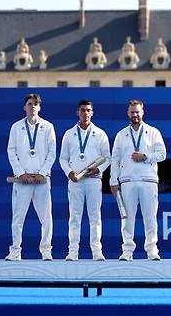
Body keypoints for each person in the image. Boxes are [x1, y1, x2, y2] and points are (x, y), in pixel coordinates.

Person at [110, 100, 166, 261]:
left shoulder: (153, 132)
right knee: (127, 218)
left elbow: (162, 154)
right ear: (128, 113)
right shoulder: (121, 135)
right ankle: (127, 251)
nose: (135, 115)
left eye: (137, 112)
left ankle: (152, 250)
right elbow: (115, 158)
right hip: (127, 181)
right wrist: (114, 180)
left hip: (148, 181)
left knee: (150, 218)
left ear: (143, 112)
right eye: (132, 112)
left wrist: (145, 157)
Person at [5, 93, 57, 261]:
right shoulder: (16, 127)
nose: (32, 106)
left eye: (35, 104)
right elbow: (11, 151)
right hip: (22, 181)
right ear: (24, 107)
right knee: (18, 218)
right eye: (29, 104)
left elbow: (52, 153)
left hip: (42, 180)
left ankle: (46, 251)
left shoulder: (48, 127)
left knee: (46, 218)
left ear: (39, 107)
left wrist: (42, 173)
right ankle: (15, 251)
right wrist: (20, 173)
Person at [59, 100, 111, 261]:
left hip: (94, 180)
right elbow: (62, 158)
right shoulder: (69, 134)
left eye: (88, 110)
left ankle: (97, 251)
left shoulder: (100, 133)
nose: (85, 113)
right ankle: (73, 251)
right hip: (76, 181)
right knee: (74, 216)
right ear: (77, 112)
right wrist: (69, 173)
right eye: (82, 110)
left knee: (95, 216)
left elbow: (108, 158)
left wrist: (98, 169)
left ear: (92, 112)